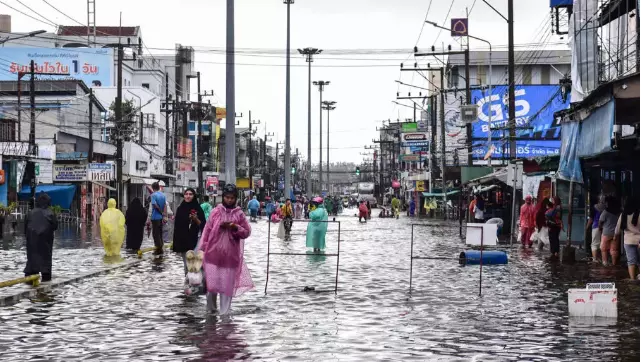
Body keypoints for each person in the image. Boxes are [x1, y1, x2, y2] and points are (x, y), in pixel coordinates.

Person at [198, 184, 254, 314]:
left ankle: (225, 318)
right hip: (212, 256)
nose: (229, 200)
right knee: (211, 288)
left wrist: (235, 227)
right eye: (227, 197)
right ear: (223, 197)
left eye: (232, 198)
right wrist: (202, 250)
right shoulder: (215, 212)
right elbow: (207, 231)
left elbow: (246, 232)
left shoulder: (239, 215)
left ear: (235, 199)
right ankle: (211, 315)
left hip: (230, 258)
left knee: (226, 290)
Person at [24, 193, 58, 282]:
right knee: (45, 266)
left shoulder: (30, 213)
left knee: (32, 262)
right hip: (45, 243)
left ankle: (30, 279)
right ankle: (45, 288)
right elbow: (55, 226)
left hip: (31, 242)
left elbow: (25, 228)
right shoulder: (50, 213)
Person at [172, 188, 206, 275]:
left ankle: (198, 283)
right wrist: (176, 244)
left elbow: (204, 226)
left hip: (196, 240)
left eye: (190, 194)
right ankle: (188, 284)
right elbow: (177, 228)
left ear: (194, 196)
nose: (188, 196)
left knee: (196, 264)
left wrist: (195, 219)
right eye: (186, 194)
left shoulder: (198, 209)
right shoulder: (180, 209)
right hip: (183, 241)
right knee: (187, 264)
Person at [615, 197, 639, 280]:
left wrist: (615, 236)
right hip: (639, 241)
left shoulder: (623, 214)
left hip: (628, 241)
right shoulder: (639, 214)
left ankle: (632, 279)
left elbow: (617, 229)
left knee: (631, 261)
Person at [599, 196, 621, 266]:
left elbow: (600, 221)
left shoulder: (606, 212)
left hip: (606, 233)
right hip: (616, 233)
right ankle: (614, 264)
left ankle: (605, 263)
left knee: (604, 249)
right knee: (614, 250)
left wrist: (600, 228)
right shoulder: (619, 212)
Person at [586, 197, 606, 262]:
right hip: (605, 228)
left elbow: (591, 218)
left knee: (594, 244)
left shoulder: (594, 207)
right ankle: (602, 259)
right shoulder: (606, 208)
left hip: (596, 227)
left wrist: (587, 227)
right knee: (602, 244)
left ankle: (595, 259)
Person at [150, 182, 167, 255]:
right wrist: (164, 215)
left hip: (155, 217)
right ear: (159, 187)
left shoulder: (153, 195)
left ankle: (158, 249)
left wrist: (160, 212)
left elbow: (154, 205)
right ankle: (161, 247)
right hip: (160, 217)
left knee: (155, 234)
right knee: (160, 233)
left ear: (153, 188)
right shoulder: (163, 195)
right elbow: (165, 205)